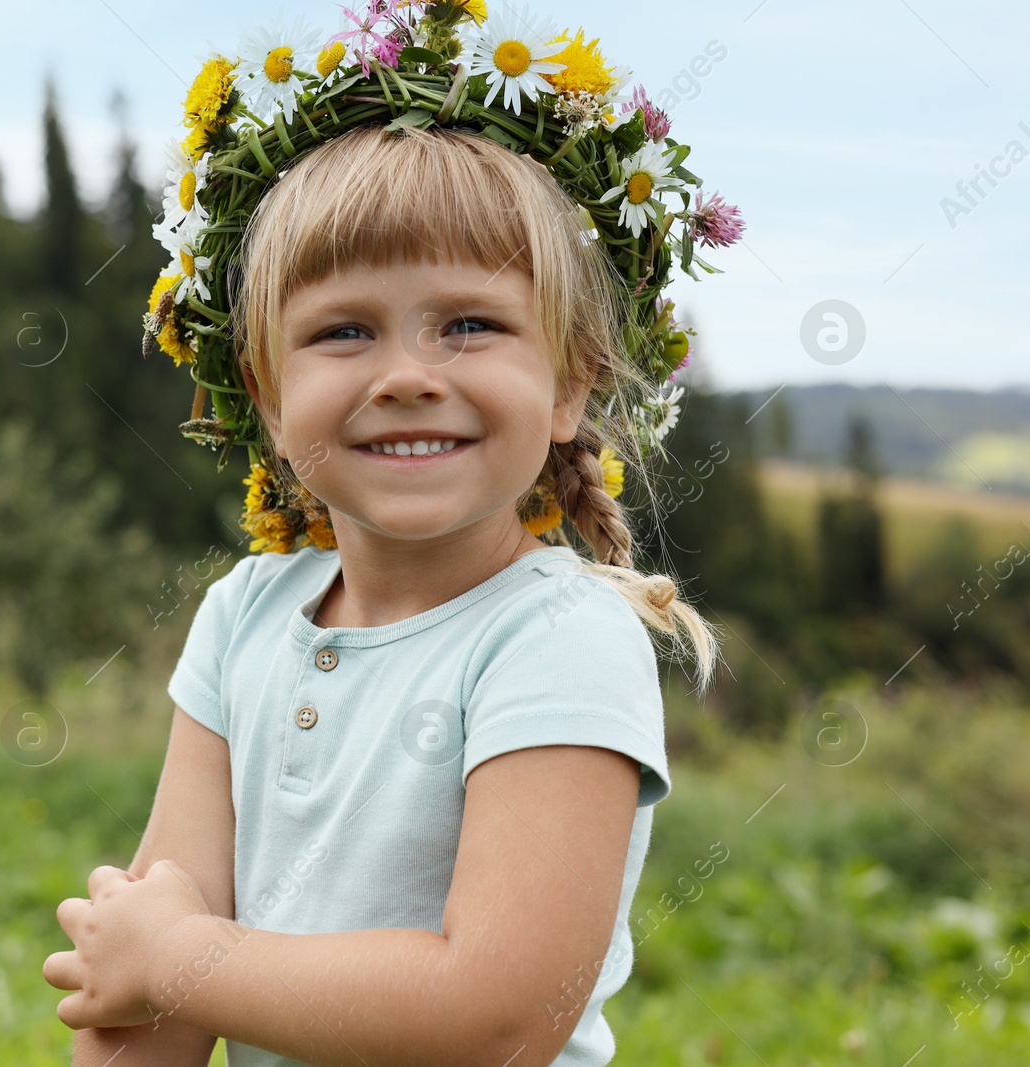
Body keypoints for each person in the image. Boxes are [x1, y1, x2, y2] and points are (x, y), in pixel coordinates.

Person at [44, 5, 740, 1064]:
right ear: (269, 398)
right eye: (342, 331)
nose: (408, 374)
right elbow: (149, 1000)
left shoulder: (556, 637)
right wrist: (154, 969)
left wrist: (178, 954)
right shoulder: (245, 614)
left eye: (469, 323)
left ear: (568, 382)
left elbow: (498, 1011)